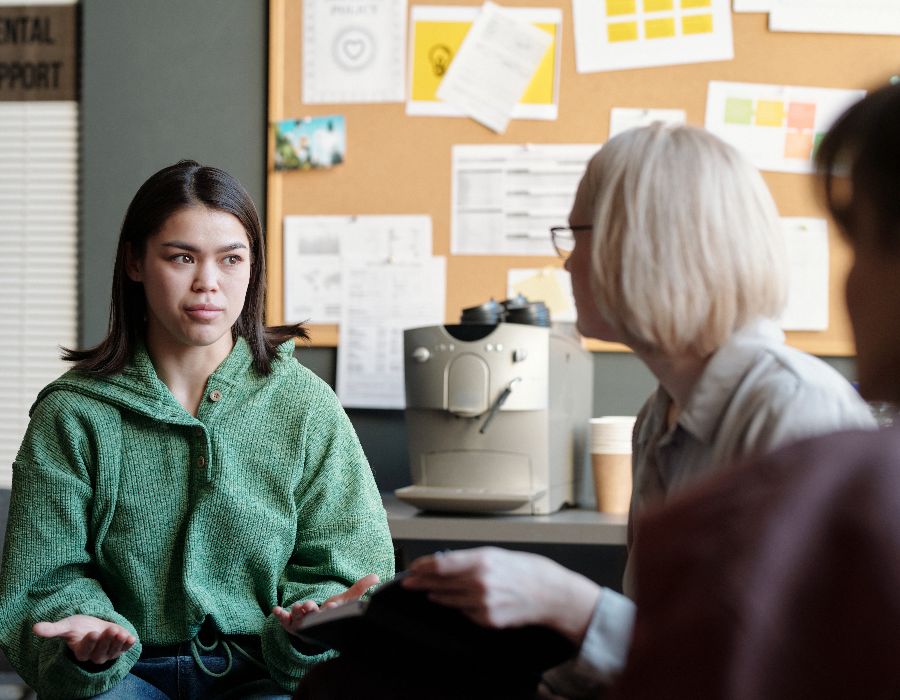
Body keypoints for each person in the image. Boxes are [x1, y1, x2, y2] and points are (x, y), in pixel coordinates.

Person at [399, 124, 876, 698]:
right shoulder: (658, 415)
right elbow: (662, 652)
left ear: (645, 244)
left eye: (576, 237)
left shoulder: (794, 410)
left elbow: (781, 668)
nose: (566, 265)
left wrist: (570, 604)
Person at [0, 160, 395, 698]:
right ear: (135, 262)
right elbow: (43, 579)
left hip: (265, 673)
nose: (208, 282)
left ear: (252, 267)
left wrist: (311, 623)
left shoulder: (305, 406)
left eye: (231, 259)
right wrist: (87, 632)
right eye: (181, 257)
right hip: (122, 676)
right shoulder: (73, 413)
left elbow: (350, 568)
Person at [613, 81, 900, 699]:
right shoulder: (654, 416)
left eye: (863, 244)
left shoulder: (807, 418)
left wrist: (578, 613)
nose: (849, 286)